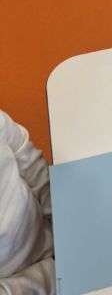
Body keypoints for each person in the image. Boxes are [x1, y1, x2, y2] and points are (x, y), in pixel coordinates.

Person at [0, 111, 55, 295]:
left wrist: (57, 216)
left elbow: (28, 159)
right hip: (30, 285)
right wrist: (53, 273)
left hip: (50, 226)